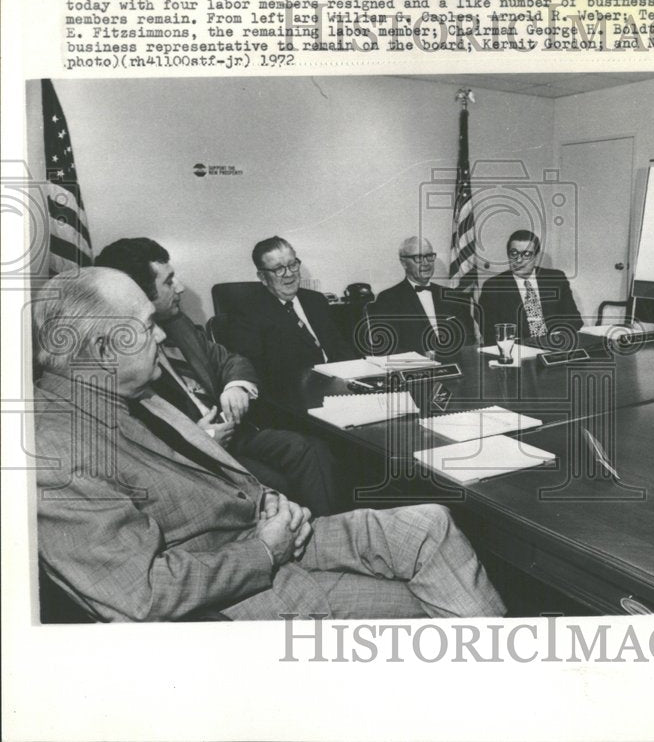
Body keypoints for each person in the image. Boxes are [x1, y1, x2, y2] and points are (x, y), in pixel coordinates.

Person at [32, 267, 506, 622]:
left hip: (261, 532)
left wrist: (268, 500)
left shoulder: (127, 391)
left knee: (429, 522)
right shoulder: (56, 453)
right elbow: (141, 594)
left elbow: (202, 473)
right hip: (236, 596)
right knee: (436, 610)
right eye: (145, 324)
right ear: (101, 350)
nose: (160, 334)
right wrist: (263, 551)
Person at [95, 237, 340, 515]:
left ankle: (327, 532)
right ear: (138, 292)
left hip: (233, 432)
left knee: (310, 449)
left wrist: (236, 385)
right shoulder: (117, 353)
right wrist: (197, 437)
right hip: (190, 455)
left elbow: (229, 359)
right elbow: (138, 438)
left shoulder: (178, 323)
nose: (181, 287)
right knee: (273, 483)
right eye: (168, 281)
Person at [228, 236, 354, 395]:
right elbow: (258, 372)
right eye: (278, 269)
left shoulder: (316, 300)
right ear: (262, 277)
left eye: (293, 265)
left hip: (341, 386)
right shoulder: (247, 314)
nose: (289, 274)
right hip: (296, 394)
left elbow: (340, 348)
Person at [364, 236, 477, 355]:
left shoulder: (453, 296)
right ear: (404, 263)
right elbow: (387, 346)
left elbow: (469, 340)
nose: (426, 263)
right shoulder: (388, 299)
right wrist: (423, 355)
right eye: (418, 257)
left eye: (429, 256)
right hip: (415, 369)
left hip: (458, 366)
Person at [479, 229, 583, 345]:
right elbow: (490, 333)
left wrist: (551, 339)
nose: (519, 260)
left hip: (554, 347)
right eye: (514, 253)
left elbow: (575, 321)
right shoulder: (493, 286)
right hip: (517, 353)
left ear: (536, 257)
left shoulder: (555, 279)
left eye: (526, 254)